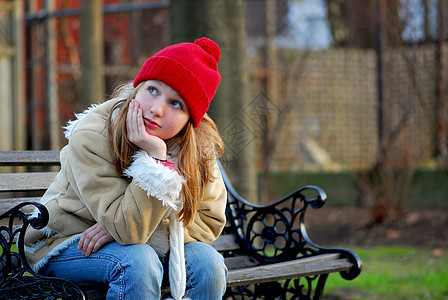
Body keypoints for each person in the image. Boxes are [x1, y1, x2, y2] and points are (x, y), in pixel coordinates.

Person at [24, 37, 228, 300]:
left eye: (176, 104)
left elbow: (209, 221)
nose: (156, 110)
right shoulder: (93, 134)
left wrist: (126, 229)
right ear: (138, 86)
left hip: (136, 247)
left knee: (208, 263)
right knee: (137, 261)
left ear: (191, 120)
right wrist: (156, 162)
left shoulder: (196, 149)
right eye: (153, 90)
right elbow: (129, 231)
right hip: (66, 242)